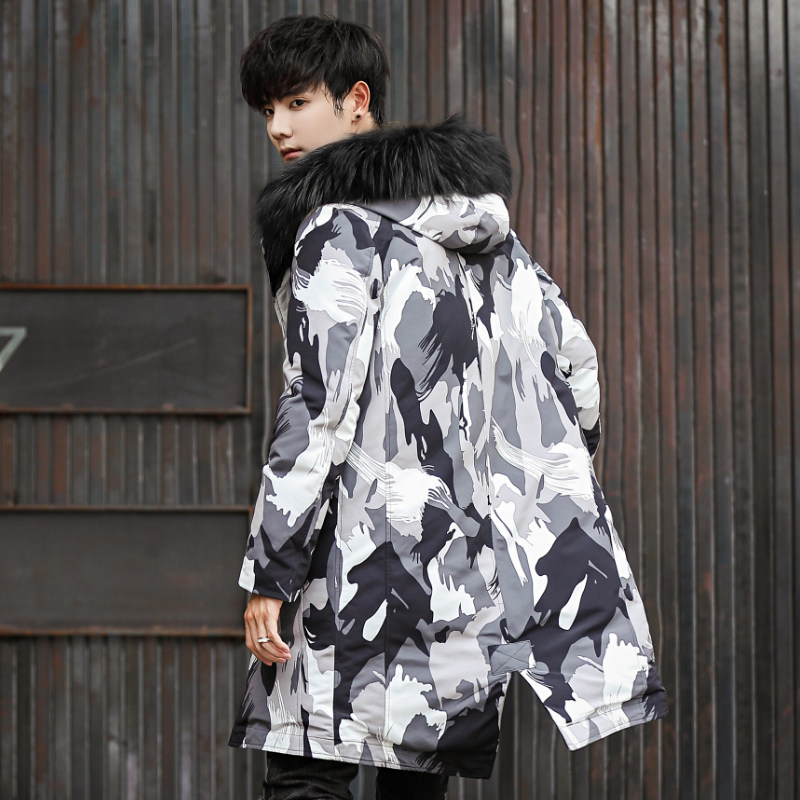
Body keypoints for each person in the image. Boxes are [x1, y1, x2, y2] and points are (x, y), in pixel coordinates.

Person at [229, 14, 667, 800]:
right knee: (415, 775)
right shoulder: (490, 235)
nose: (278, 128)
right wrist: (531, 487)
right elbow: (577, 366)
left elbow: (317, 407)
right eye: (267, 109)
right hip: (462, 561)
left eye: (296, 102)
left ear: (356, 100)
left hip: (352, 561)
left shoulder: (333, 227)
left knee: (305, 768)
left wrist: (272, 568)